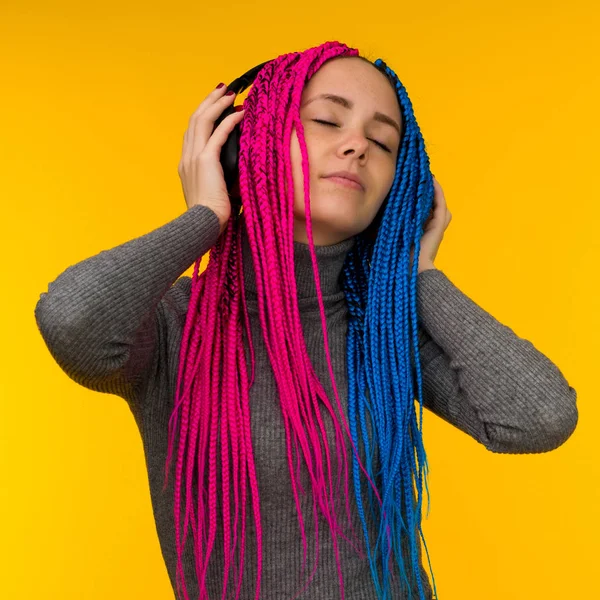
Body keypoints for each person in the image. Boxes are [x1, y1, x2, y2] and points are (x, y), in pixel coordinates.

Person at [34, 41, 578, 600]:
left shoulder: (386, 329)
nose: (356, 146)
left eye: (383, 141)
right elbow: (73, 318)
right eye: (326, 120)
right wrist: (206, 215)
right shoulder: (175, 326)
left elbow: (539, 418)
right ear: (242, 145)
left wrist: (419, 272)